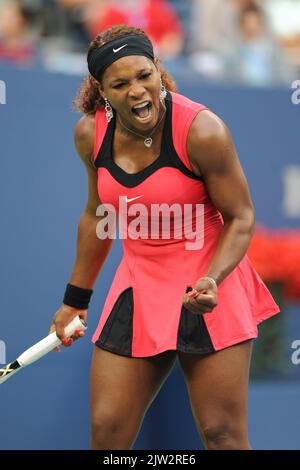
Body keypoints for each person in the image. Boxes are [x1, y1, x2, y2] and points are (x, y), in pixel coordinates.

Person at [49, 24, 280, 450]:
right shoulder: (90, 135)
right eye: (120, 84)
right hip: (138, 284)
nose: (138, 91)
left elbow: (241, 217)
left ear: (158, 70)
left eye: (144, 75)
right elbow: (97, 215)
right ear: (101, 90)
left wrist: (213, 279)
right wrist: (74, 301)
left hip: (210, 280)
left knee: (222, 434)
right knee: (108, 433)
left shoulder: (203, 130)